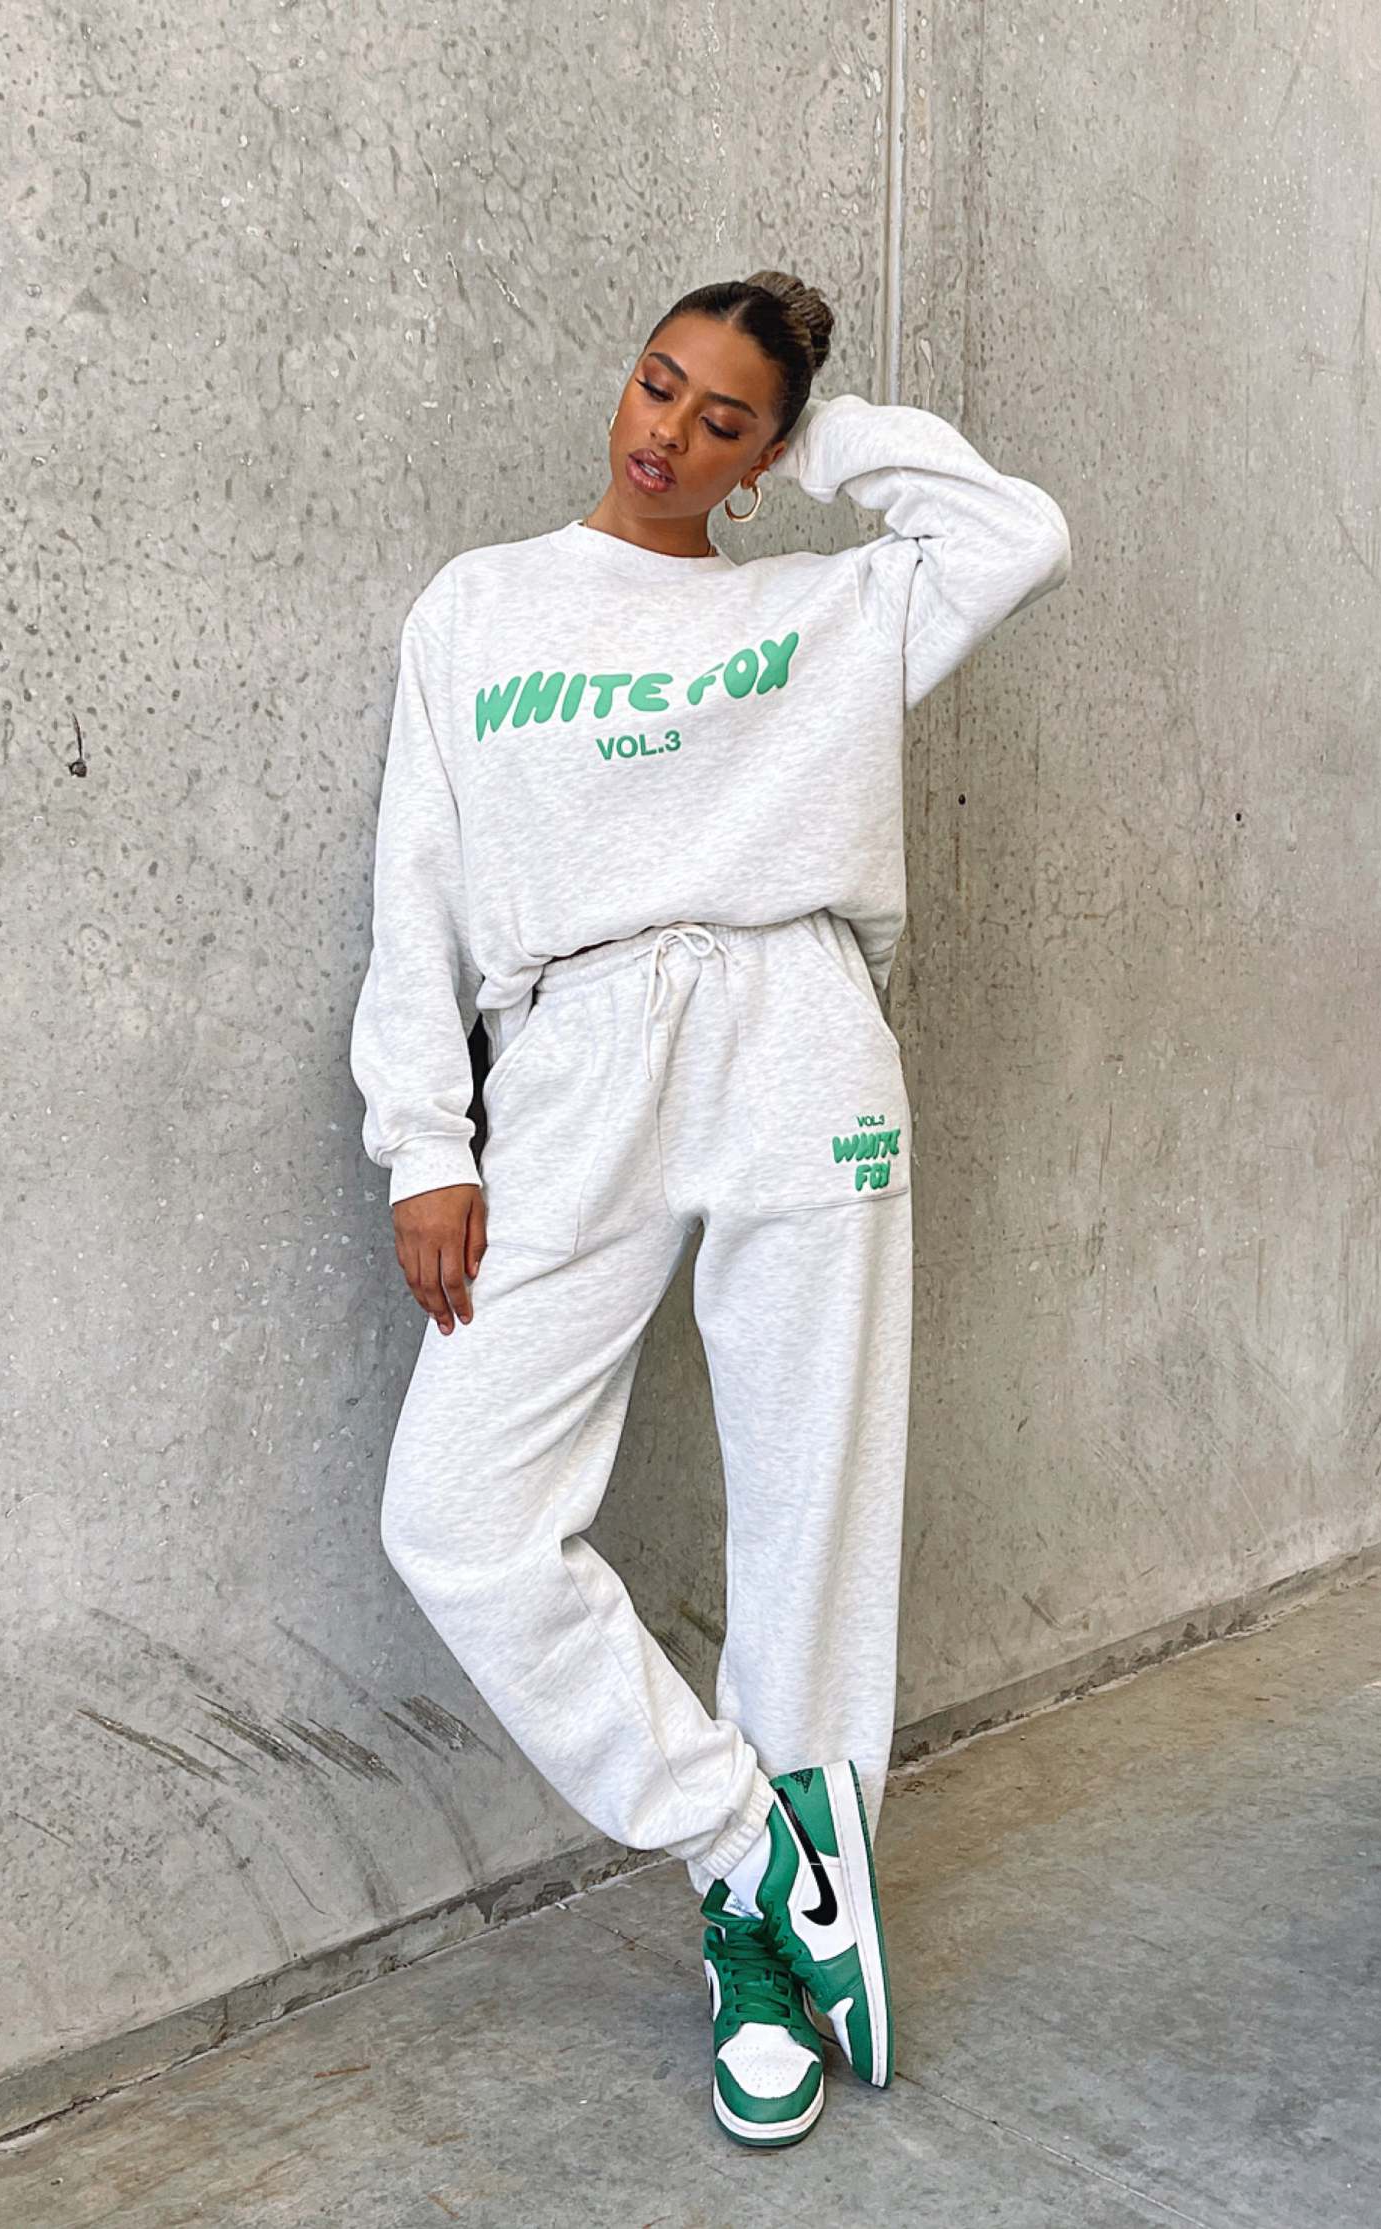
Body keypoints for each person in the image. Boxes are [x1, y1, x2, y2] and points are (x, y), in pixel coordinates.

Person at [348, 269, 1071, 2149]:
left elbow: (1016, 533)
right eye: (657, 384)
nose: (666, 431)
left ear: (765, 454)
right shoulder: (479, 606)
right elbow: (416, 883)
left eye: (723, 420)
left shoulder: (817, 608)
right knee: (458, 1515)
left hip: (793, 1036)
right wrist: (428, 1141)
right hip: (572, 1059)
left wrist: (828, 437)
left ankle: (764, 1950)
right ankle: (749, 1842)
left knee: (809, 1505)